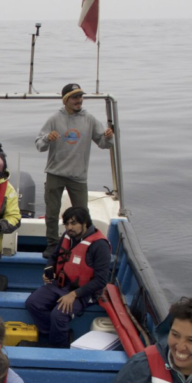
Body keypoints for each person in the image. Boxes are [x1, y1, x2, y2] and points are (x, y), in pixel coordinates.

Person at [35, 83, 114, 258]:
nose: (79, 100)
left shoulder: (90, 119)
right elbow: (39, 145)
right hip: (55, 173)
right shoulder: (54, 119)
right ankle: (52, 244)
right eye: (75, 97)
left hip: (78, 176)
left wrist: (109, 137)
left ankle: (83, 244)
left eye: (80, 96)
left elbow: (103, 143)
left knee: (82, 213)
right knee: (52, 212)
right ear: (66, 100)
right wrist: (48, 138)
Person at [25, 206, 111, 348]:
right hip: (60, 284)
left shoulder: (99, 245)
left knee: (58, 315)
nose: (69, 227)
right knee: (33, 303)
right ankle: (53, 335)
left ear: (85, 223)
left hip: (83, 292)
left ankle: (59, 348)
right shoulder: (68, 236)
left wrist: (74, 294)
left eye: (73, 223)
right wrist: (49, 272)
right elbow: (54, 256)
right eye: (66, 223)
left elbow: (101, 280)